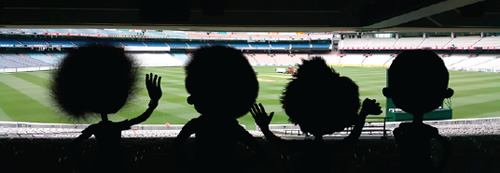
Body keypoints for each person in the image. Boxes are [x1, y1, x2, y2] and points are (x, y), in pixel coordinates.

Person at [251, 57, 382, 173]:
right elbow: (352, 138)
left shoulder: (304, 147)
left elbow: (276, 141)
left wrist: (264, 127)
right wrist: (363, 113)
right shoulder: (328, 150)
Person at [50, 45, 162, 173]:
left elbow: (74, 145)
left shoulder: (95, 128)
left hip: (101, 162)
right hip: (117, 162)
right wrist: (153, 102)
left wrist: (80, 164)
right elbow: (141, 118)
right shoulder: (114, 127)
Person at [172, 46, 262, 172]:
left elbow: (176, 147)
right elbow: (259, 152)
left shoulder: (196, 123)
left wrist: (189, 165)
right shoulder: (232, 127)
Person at [382, 50, 453, 173]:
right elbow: (447, 146)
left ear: (389, 93)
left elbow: (398, 139)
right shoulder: (429, 131)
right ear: (446, 94)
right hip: (426, 166)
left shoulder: (403, 129)